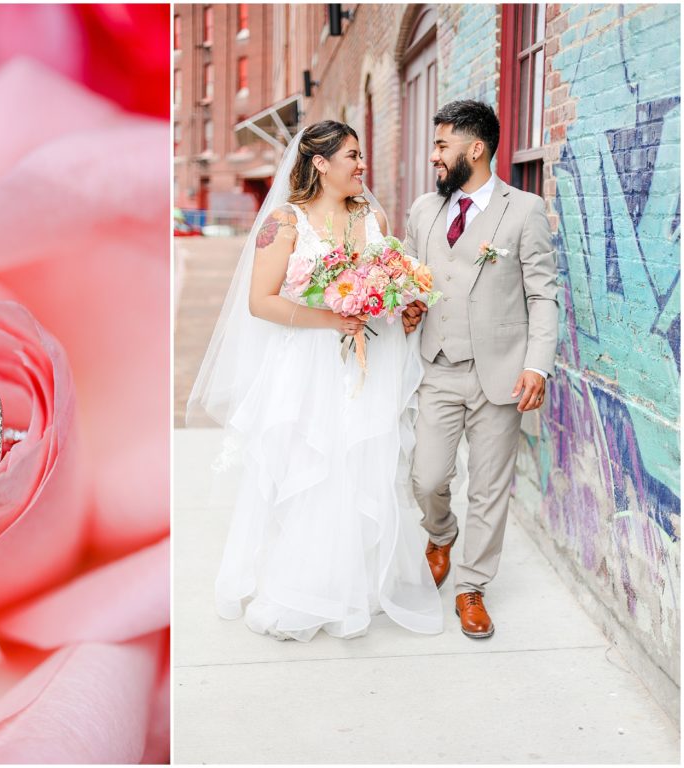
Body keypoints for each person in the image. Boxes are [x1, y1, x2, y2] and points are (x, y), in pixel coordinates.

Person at [188, 121, 444, 641]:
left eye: (361, 156)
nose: (361, 165)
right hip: (308, 364)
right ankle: (303, 590)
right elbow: (261, 301)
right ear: (321, 163)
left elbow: (385, 286)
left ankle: (359, 586)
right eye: (352, 156)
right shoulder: (284, 222)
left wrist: (401, 303)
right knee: (315, 467)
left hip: (370, 363)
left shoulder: (372, 216)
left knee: (363, 466)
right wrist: (333, 320)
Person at [401, 100, 558, 639]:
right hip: (437, 366)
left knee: (489, 488)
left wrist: (538, 365)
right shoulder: (424, 210)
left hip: (501, 372)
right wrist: (406, 306)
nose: (434, 156)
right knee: (427, 478)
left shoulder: (525, 210)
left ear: (476, 149)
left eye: (442, 145)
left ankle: (471, 586)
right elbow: (410, 278)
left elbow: (543, 295)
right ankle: (439, 533)